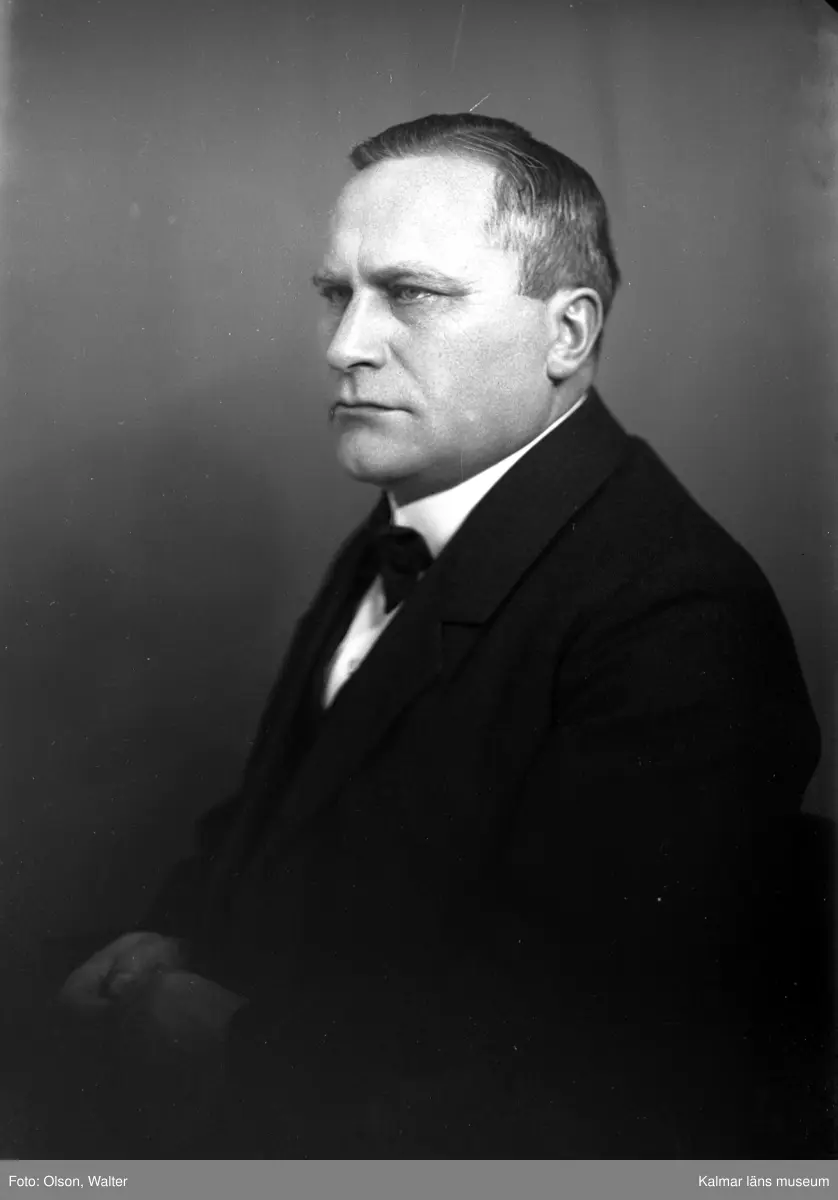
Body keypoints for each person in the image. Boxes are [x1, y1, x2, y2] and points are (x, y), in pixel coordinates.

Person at [60, 113, 824, 1158]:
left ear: (568, 333)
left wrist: (234, 1044)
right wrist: (176, 929)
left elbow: (582, 1058)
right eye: (336, 294)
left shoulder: (677, 616)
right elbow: (296, 806)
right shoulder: (410, 515)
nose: (344, 345)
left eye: (411, 294)